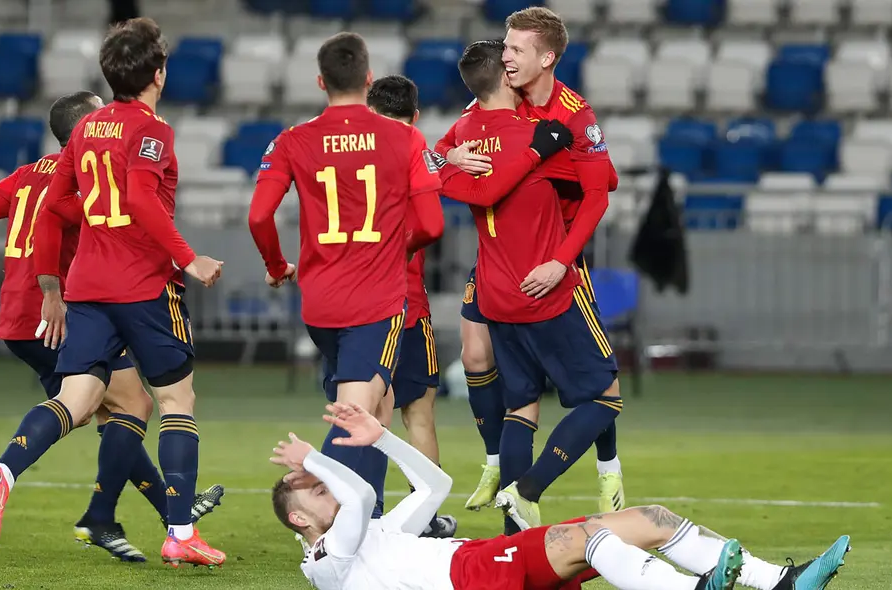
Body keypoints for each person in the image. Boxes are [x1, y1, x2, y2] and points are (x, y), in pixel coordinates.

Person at [0, 17, 226, 567]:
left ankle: (4, 471)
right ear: (158, 72)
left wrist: (53, 287)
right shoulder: (152, 130)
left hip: (87, 287)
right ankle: (180, 534)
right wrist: (189, 258)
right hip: (143, 285)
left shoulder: (85, 131)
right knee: (177, 400)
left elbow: (54, 210)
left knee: (77, 399)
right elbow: (138, 197)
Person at [271, 401, 851, 590]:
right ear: (300, 517)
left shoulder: (373, 533)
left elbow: (436, 486)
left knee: (650, 517)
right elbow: (357, 499)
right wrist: (314, 460)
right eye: (317, 490)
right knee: (591, 538)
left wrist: (385, 438)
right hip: (470, 577)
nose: (332, 488)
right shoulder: (326, 564)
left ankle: (780, 581)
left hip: (481, 564)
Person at [248, 32, 445, 520]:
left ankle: (371, 515)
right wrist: (391, 249)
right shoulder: (405, 137)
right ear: (368, 78)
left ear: (320, 81)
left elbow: (258, 216)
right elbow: (433, 224)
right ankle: (320, 521)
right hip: (373, 302)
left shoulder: (293, 140)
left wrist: (277, 267)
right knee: (357, 414)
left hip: (319, 303)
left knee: (377, 405)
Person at [439, 8, 623, 519]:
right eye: (504, 46)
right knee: (483, 362)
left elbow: (602, 189)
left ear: (547, 58)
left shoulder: (574, 114)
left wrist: (563, 260)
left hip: (552, 259)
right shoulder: (501, 101)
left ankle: (607, 472)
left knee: (569, 386)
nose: (505, 56)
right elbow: (440, 151)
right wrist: (451, 159)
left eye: (515, 48)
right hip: (507, 264)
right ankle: (507, 478)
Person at [365, 74, 456, 539]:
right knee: (417, 414)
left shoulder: (353, 154)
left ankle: (368, 514)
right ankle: (425, 518)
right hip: (408, 305)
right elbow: (432, 173)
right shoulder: (419, 153)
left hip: (357, 306)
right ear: (415, 116)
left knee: (363, 413)